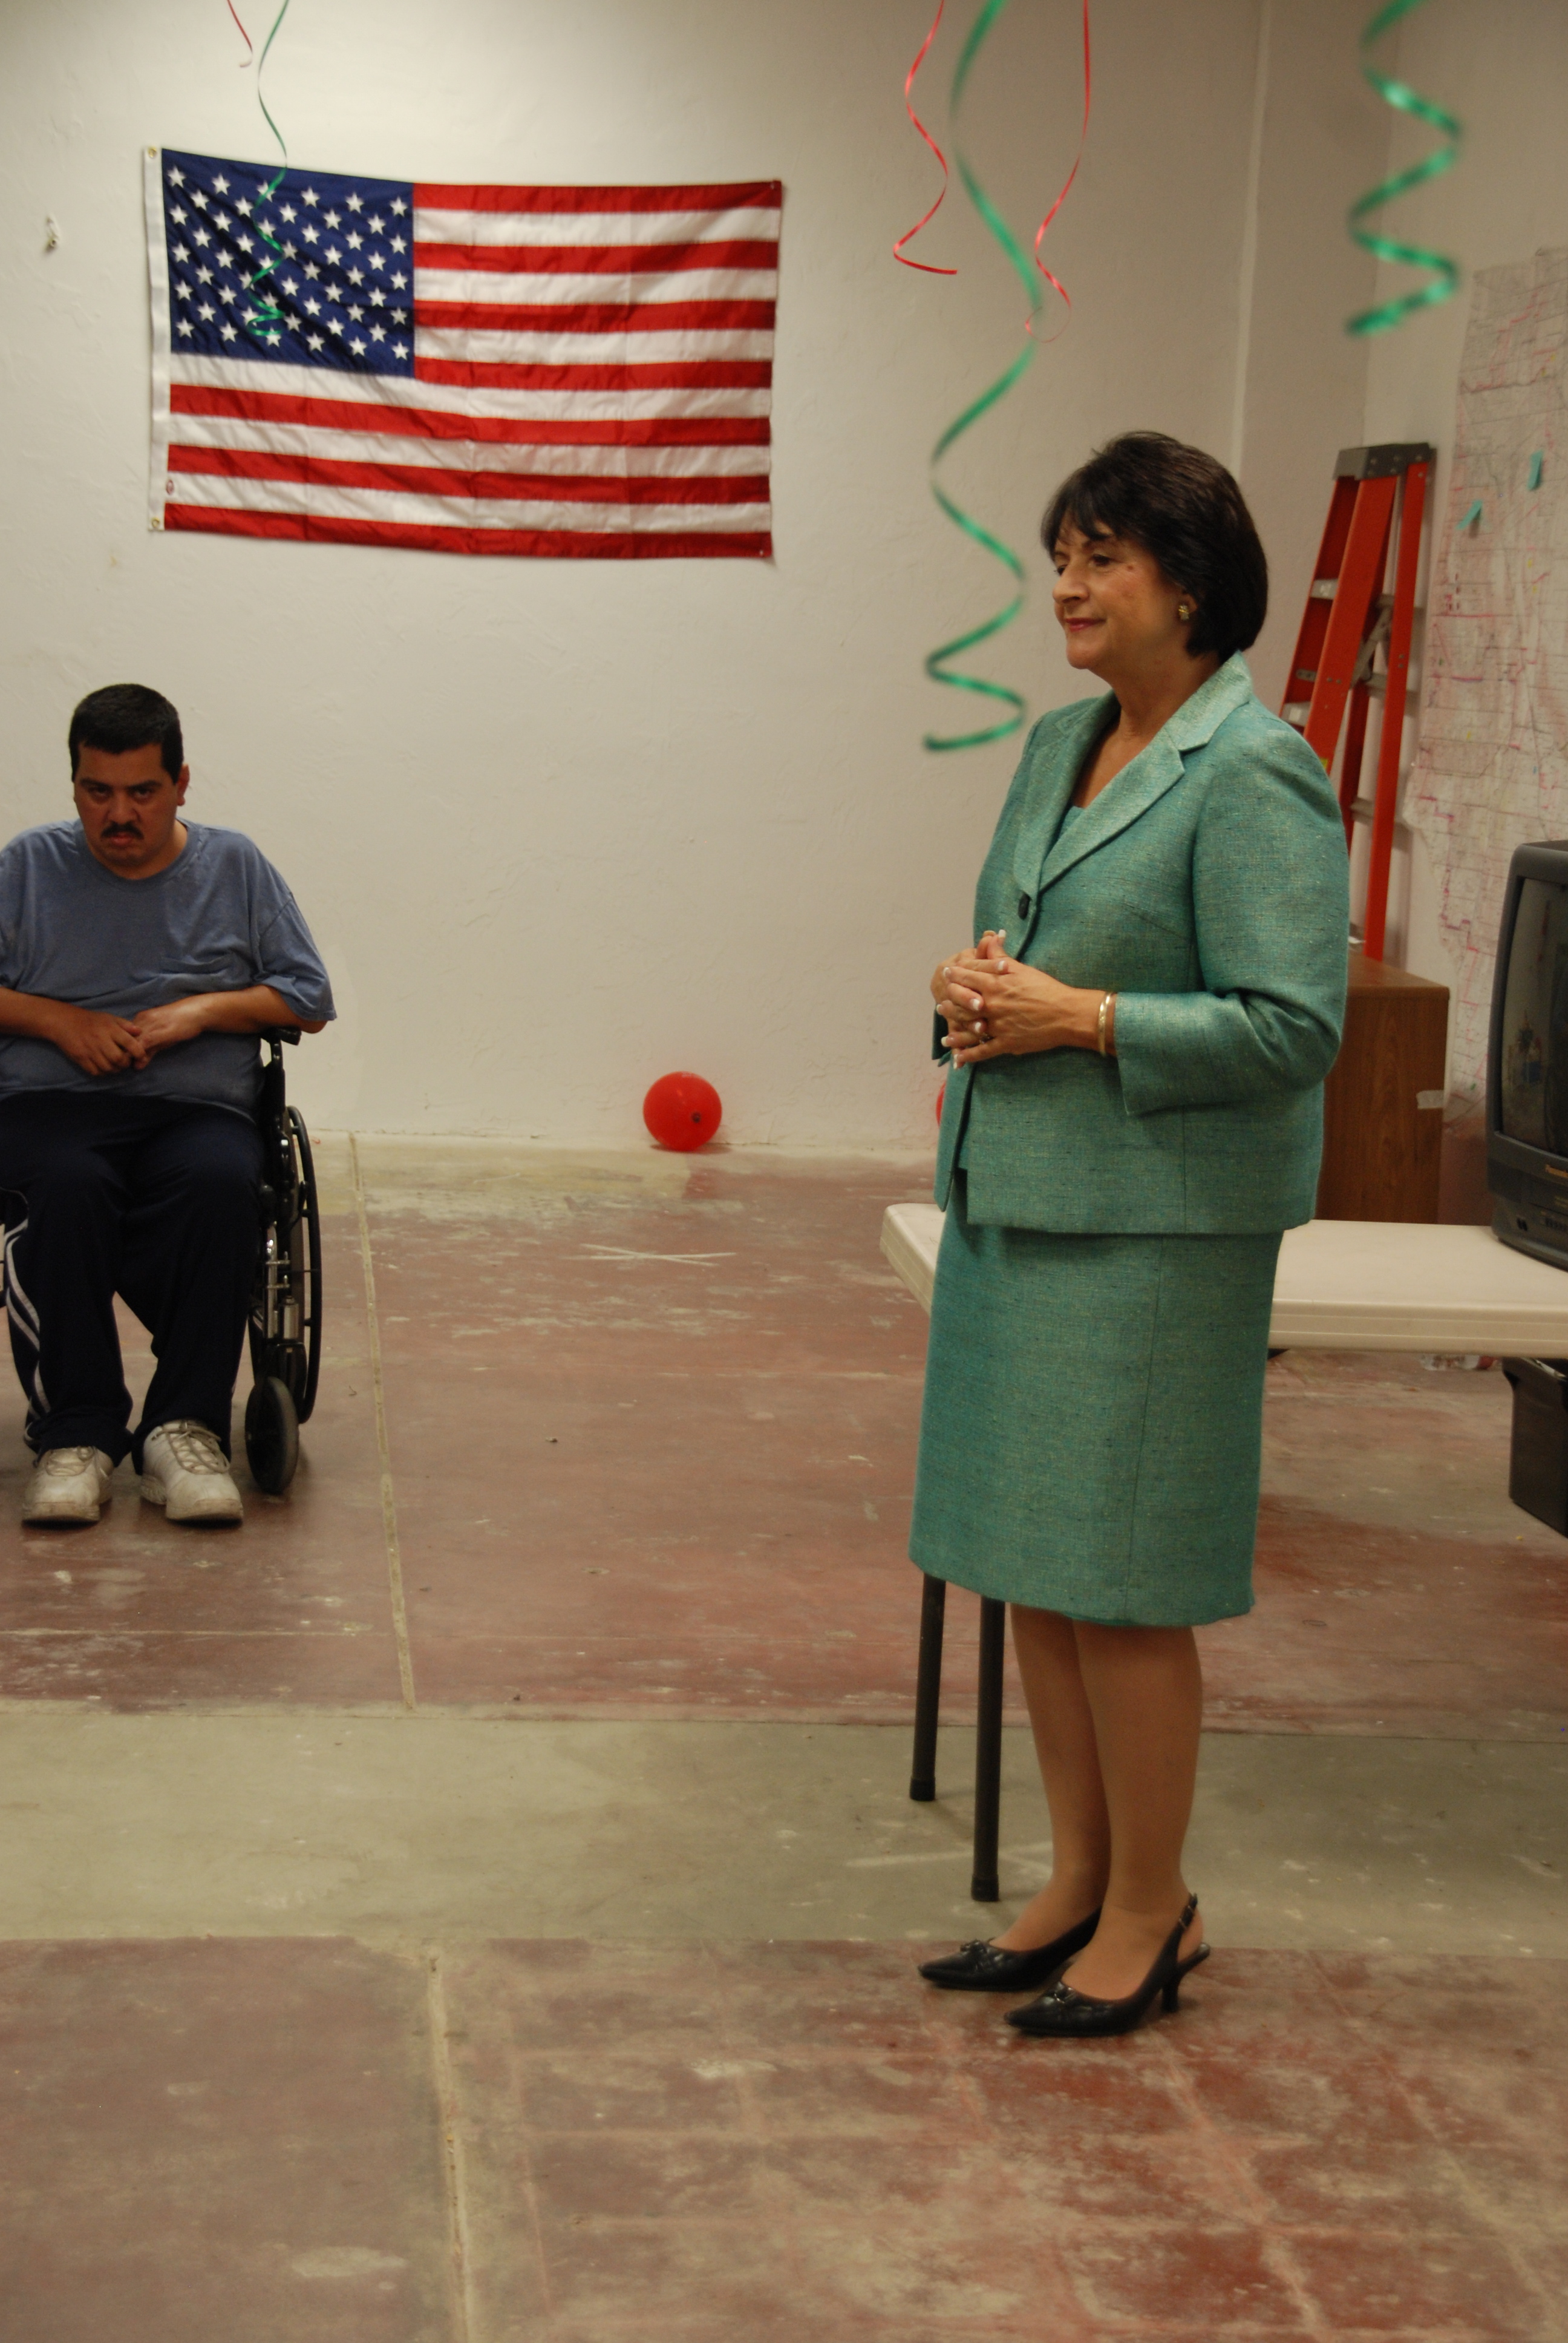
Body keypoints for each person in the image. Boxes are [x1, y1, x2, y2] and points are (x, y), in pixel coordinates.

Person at [911, 433, 1348, 2037]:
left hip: (1159, 1236)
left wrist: (1083, 1018)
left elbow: (1292, 1026)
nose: (1069, 589)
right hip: (1021, 1202)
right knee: (1036, 1568)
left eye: (1101, 558)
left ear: (1193, 583)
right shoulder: (1058, 743)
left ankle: (1159, 1909)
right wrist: (973, 991)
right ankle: (1080, 1877)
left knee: (1126, 1582)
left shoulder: (1255, 772)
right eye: (1063, 558)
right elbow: (1018, 944)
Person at [0, 684, 333, 1527]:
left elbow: (308, 997)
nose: (120, 815)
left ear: (182, 783)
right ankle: (75, 1436)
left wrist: (203, 1011)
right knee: (64, 1186)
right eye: (97, 792)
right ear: (74, 784)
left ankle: (183, 1431)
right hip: (55, 1104)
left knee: (224, 1182)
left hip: (195, 1112)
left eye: (142, 793)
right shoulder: (28, 867)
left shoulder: (234, 867)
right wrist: (58, 1021)